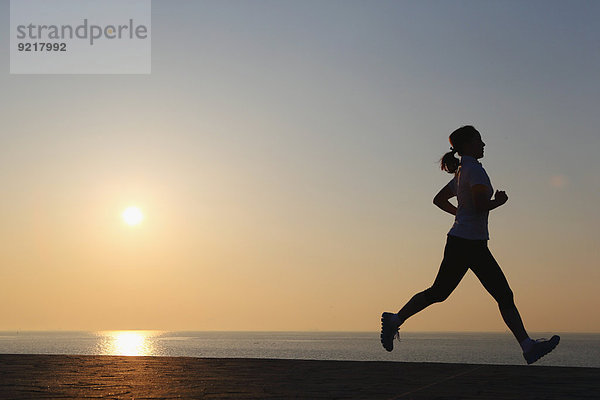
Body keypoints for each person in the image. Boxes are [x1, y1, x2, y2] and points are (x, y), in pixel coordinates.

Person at [380, 125, 559, 365]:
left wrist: (459, 215)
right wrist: (499, 202)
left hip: (463, 241)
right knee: (500, 294)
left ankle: (395, 319)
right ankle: (527, 347)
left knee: (441, 292)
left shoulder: (463, 171)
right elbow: (480, 205)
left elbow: (439, 200)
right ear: (466, 145)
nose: (483, 144)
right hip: (469, 244)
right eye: (479, 140)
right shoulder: (474, 171)